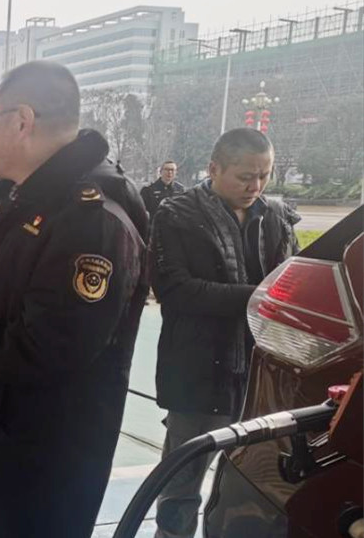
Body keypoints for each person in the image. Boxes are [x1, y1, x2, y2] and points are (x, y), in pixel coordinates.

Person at [0, 61, 149, 537]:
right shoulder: (26, 199)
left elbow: (51, 344)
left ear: (22, 120)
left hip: (40, 461)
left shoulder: (92, 221)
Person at [152, 128, 299, 538]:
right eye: (245, 176)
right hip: (197, 370)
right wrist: (261, 296)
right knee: (181, 484)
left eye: (264, 175)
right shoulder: (177, 215)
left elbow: (293, 279)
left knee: (248, 489)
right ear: (214, 168)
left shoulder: (276, 217)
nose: (256, 187)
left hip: (260, 374)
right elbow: (176, 290)